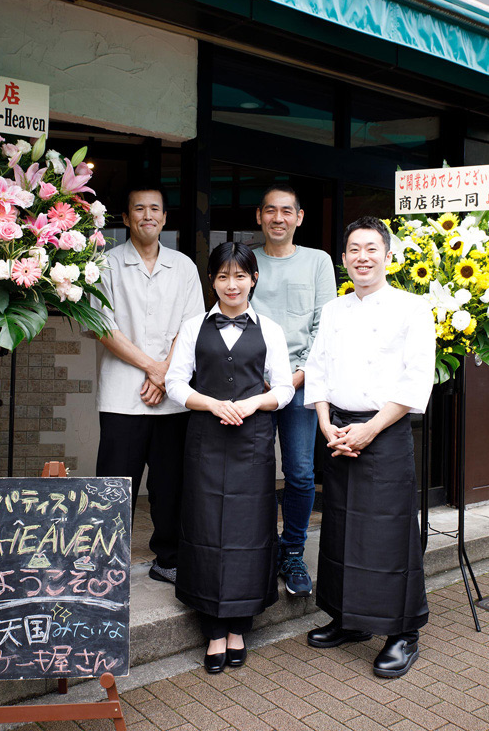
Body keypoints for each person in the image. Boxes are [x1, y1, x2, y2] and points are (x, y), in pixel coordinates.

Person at [304, 216, 435, 679]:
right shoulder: (335, 309)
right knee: (340, 528)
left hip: (384, 431)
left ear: (388, 254)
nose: (363, 256)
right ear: (344, 259)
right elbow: (316, 369)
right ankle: (349, 619)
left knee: (389, 534)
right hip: (337, 430)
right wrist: (325, 424)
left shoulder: (412, 307)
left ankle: (403, 633)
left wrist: (369, 429)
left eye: (371, 248)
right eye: (354, 249)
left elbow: (416, 379)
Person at [166, 242, 294, 674]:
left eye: (240, 276)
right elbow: (175, 383)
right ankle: (213, 630)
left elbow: (285, 387)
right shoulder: (192, 327)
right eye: (223, 276)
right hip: (205, 439)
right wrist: (208, 402)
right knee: (204, 527)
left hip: (253, 442)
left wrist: (256, 403)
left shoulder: (270, 330)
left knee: (249, 529)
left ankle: (239, 626)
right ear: (212, 281)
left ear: (253, 279)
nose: (232, 284)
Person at [91, 185, 204, 584]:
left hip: (171, 397)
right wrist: (153, 369)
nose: (147, 215)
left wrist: (164, 373)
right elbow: (103, 327)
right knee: (115, 481)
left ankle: (168, 558)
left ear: (165, 218)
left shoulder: (184, 267)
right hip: (123, 393)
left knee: (169, 483)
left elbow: (190, 330)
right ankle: (104, 561)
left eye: (155, 208)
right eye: (138, 208)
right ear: (125, 218)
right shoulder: (104, 265)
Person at [252, 184, 336, 597]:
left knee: (300, 473)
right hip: (255, 385)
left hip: (302, 384)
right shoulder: (248, 262)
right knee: (256, 472)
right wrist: (259, 380)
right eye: (271, 211)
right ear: (259, 216)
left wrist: (295, 378)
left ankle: (293, 552)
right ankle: (261, 552)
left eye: (287, 211)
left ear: (299, 217)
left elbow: (326, 326)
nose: (279, 218)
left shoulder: (318, 261)